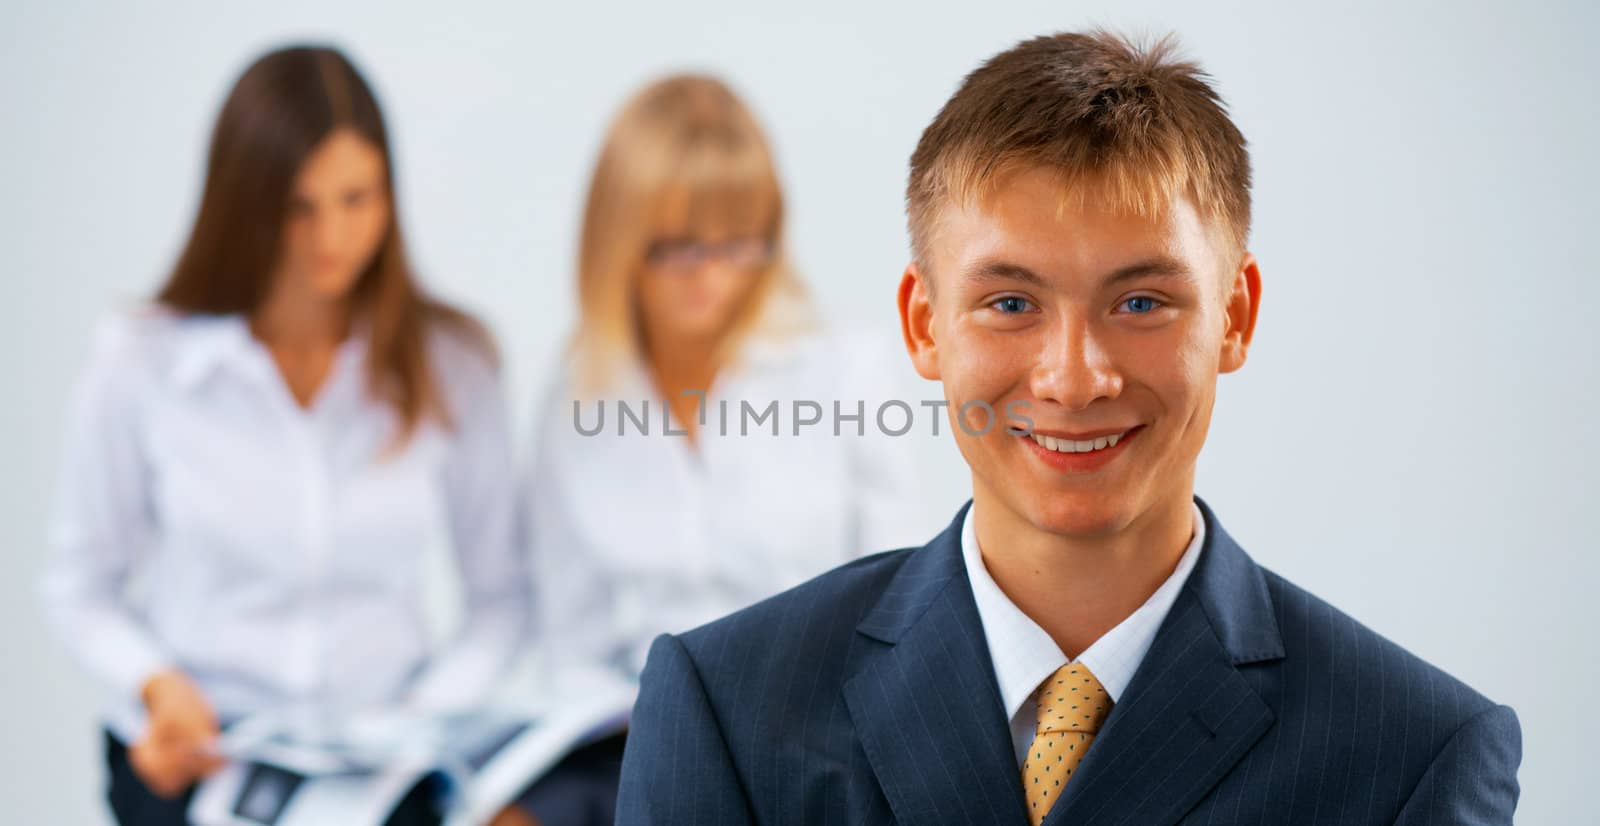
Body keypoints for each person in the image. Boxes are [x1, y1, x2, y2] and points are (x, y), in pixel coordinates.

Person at [614, 30, 1522, 825]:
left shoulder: (1416, 756)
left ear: (1236, 316)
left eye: (1141, 300)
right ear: (925, 325)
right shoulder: (727, 710)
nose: (1075, 378)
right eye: (1011, 302)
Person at [39, 46, 528, 826]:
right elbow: (78, 584)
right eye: (297, 207)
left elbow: (500, 602)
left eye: (356, 199)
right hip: (199, 758)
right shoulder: (141, 358)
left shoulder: (455, 365)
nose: (328, 236)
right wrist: (158, 683)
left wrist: (424, 714)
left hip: (379, 762)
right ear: (244, 203)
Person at [507, 74, 927, 826]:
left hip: (814, 742)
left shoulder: (845, 371)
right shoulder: (576, 398)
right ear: (619, 244)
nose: (711, 276)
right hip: (632, 745)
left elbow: (904, 611)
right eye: (678, 248)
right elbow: (566, 641)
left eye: (736, 243)